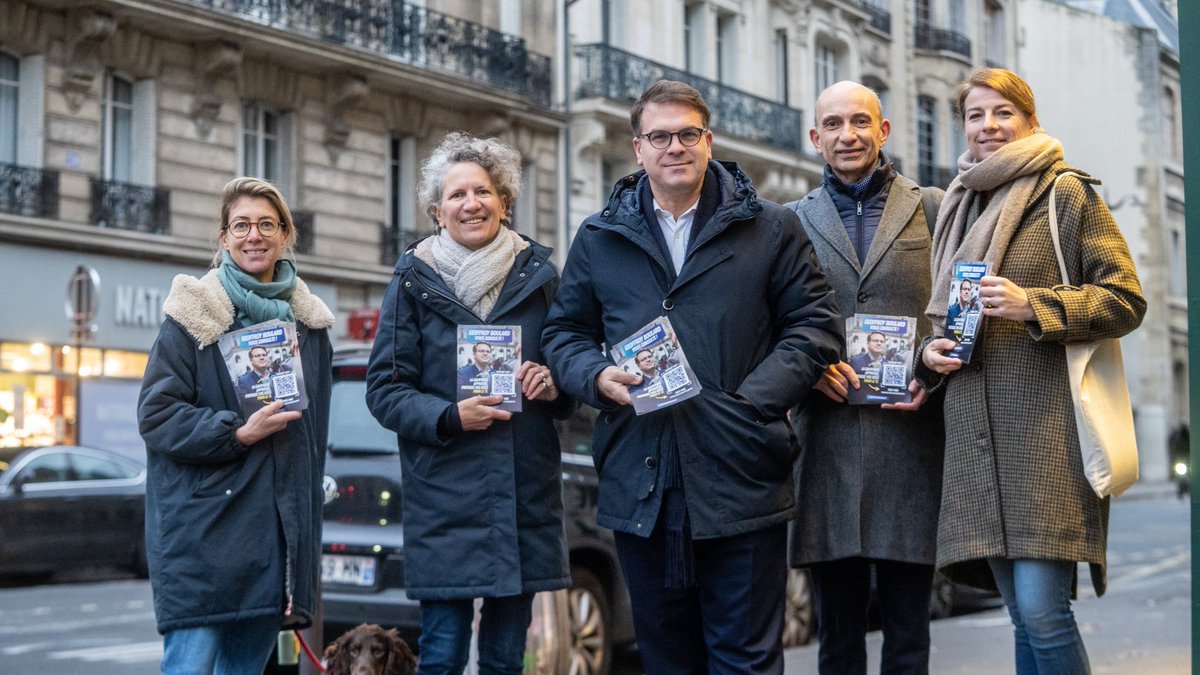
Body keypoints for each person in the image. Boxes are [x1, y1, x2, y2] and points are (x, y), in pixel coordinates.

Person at [542, 79, 842, 674]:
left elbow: (815, 327)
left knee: (746, 660)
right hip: (641, 479)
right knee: (666, 659)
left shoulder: (772, 227)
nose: (673, 147)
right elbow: (563, 334)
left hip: (741, 474)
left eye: (687, 134)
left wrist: (751, 403)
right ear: (638, 148)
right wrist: (598, 376)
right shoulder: (599, 237)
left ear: (708, 141)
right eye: (660, 136)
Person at [918, 68, 1145, 674]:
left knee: (1045, 613)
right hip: (971, 438)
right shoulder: (959, 205)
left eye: (1002, 113)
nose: (988, 126)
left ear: (1030, 120)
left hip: (1046, 439)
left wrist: (1034, 305)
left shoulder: (1065, 193)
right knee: (1022, 616)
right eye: (975, 115)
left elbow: (1126, 299)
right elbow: (944, 317)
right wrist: (930, 354)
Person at [365, 132, 571, 675]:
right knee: (443, 656)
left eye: (482, 192)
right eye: (456, 195)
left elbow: (572, 364)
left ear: (504, 201)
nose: (470, 204)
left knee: (505, 659)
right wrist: (451, 416)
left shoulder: (544, 278)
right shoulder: (411, 283)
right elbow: (384, 392)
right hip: (445, 501)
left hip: (524, 496)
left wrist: (554, 385)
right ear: (437, 212)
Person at [137, 177, 334, 674]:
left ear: (285, 234)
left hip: (272, 540)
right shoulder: (190, 317)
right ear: (223, 237)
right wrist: (237, 432)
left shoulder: (308, 327)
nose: (254, 235)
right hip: (202, 536)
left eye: (267, 224)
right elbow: (156, 417)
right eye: (241, 225)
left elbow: (315, 440)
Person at [785, 80, 945, 675]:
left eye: (860, 122)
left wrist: (931, 368)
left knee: (909, 634)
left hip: (912, 438)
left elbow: (956, 307)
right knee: (838, 638)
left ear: (883, 131)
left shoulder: (931, 207)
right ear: (816, 137)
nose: (846, 135)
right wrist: (806, 369)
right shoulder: (791, 221)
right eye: (833, 124)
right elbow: (773, 323)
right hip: (826, 447)